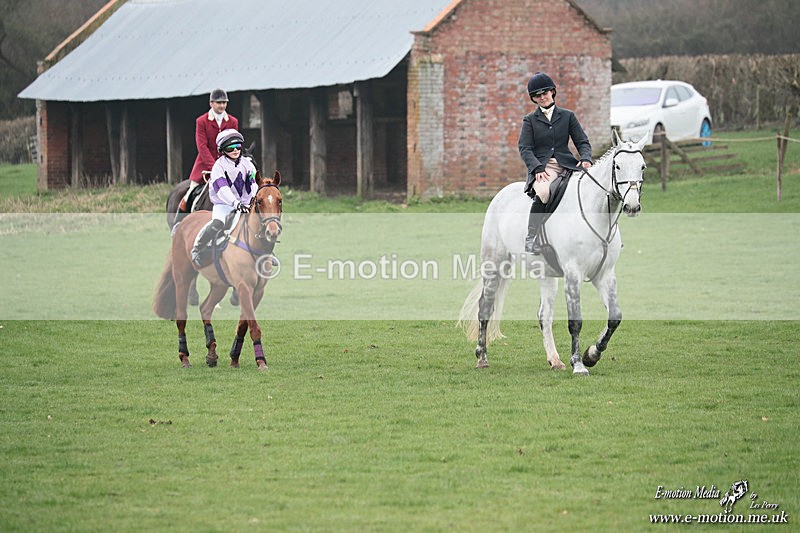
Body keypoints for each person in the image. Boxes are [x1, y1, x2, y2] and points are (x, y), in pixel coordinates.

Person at [518, 72, 593, 254]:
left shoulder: (568, 116)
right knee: (543, 192)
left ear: (552, 92)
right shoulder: (530, 120)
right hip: (544, 168)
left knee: (595, 189)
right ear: (534, 99)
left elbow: (582, 142)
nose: (542, 97)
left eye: (545, 92)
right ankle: (531, 238)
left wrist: (585, 158)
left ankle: (605, 236)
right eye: (537, 95)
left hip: (568, 165)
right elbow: (525, 148)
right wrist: (537, 168)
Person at [191, 129, 257, 267]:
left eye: (238, 146)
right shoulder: (218, 167)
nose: (235, 150)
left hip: (245, 204)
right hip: (224, 205)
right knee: (218, 223)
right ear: (223, 150)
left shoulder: (248, 164)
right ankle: (198, 248)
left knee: (258, 224)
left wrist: (252, 201)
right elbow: (222, 189)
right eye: (230, 148)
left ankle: (265, 253)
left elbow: (253, 184)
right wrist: (235, 203)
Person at [179, 88, 239, 212]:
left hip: (227, 166)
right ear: (211, 103)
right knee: (189, 193)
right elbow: (202, 146)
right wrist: (215, 168)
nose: (222, 105)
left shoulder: (233, 122)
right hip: (205, 166)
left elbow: (234, 145)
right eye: (219, 103)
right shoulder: (201, 121)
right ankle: (179, 221)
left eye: (224, 103)